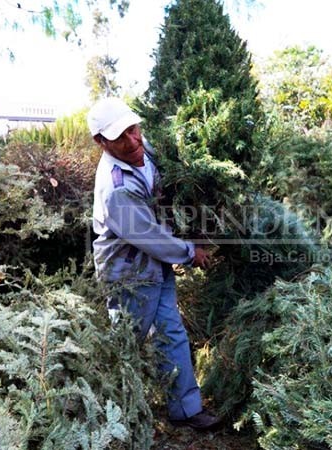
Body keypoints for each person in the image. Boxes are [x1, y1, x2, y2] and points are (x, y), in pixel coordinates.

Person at [87, 97, 220, 430]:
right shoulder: (115, 189)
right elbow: (150, 237)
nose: (133, 141)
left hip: (154, 261)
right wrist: (191, 252)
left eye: (133, 130)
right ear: (101, 142)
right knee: (127, 344)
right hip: (128, 271)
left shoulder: (143, 147)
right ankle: (110, 414)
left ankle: (186, 409)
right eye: (121, 137)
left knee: (170, 332)